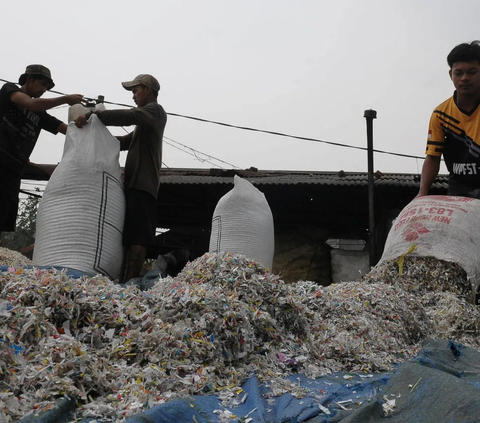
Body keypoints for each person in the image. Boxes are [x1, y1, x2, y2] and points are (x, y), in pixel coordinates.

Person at [74, 74, 167, 284]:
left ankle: (131, 286)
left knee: (137, 239)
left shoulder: (154, 111)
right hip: (134, 184)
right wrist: (94, 135)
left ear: (148, 90)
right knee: (129, 238)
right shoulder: (143, 125)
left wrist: (94, 114)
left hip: (144, 185)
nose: (133, 96)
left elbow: (129, 116)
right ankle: (124, 281)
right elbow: (124, 141)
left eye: (135, 91)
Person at [0, 64, 83, 238]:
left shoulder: (40, 115)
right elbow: (30, 104)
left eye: (47, 87)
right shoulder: (10, 90)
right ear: (29, 79)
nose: (44, 90)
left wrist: (88, 125)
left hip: (14, 169)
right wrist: (65, 99)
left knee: (4, 220)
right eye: (42, 84)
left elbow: (66, 130)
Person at [418, 41, 480, 198]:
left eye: (472, 72)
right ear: (450, 74)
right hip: (459, 189)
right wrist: (422, 193)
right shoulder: (440, 114)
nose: (465, 78)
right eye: (458, 73)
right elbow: (433, 156)